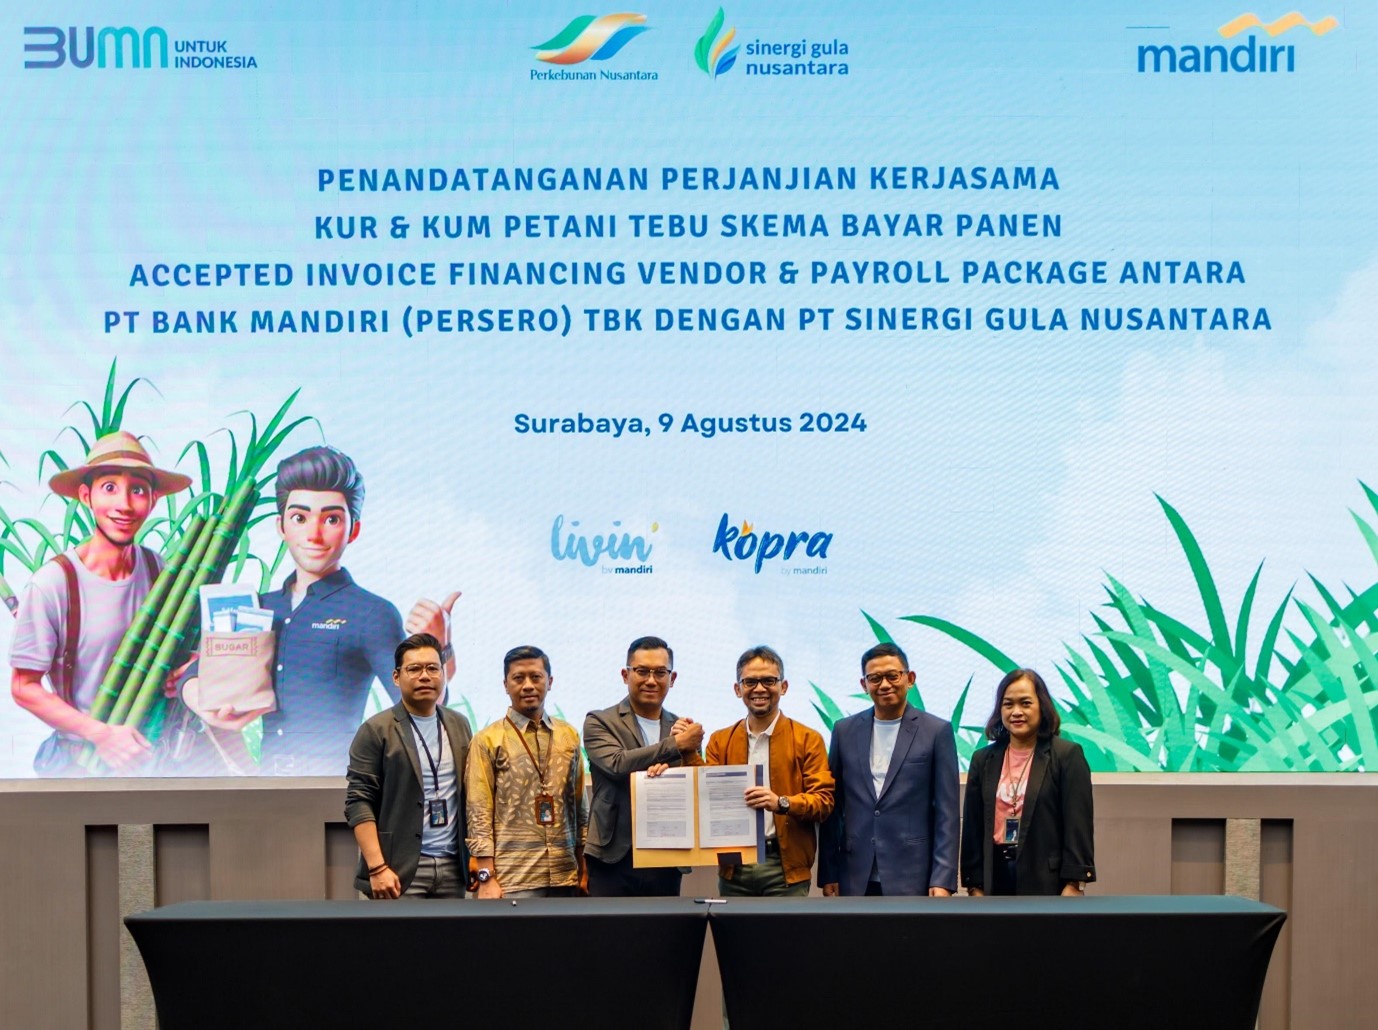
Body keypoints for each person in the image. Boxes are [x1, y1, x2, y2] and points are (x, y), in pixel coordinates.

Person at [188, 445, 459, 774]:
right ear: (281, 526)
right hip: (266, 786)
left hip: (336, 787)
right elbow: (195, 675)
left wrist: (438, 645)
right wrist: (203, 703)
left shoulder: (371, 613)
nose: (314, 534)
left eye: (331, 519)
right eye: (299, 518)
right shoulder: (256, 606)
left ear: (353, 529)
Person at [9, 431, 191, 773]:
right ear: (86, 496)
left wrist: (184, 669)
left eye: (138, 490)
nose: (124, 504)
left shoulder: (159, 570)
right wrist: (101, 735)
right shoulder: (53, 583)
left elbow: (177, 654)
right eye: (109, 487)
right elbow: (23, 687)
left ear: (152, 501)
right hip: (81, 764)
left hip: (152, 760)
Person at [819, 642, 959, 896]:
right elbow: (833, 808)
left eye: (893, 676)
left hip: (913, 875)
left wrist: (942, 878)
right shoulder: (844, 731)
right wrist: (829, 872)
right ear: (864, 684)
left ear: (910, 678)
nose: (884, 685)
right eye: (875, 678)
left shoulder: (937, 731)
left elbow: (947, 815)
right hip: (854, 874)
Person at [344, 632, 472, 898]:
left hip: (453, 867)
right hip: (397, 870)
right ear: (396, 677)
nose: (425, 676)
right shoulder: (376, 729)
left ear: (443, 674)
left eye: (432, 668)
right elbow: (358, 801)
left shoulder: (459, 724)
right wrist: (377, 867)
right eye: (414, 669)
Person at [704, 645, 834, 896]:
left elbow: (824, 802)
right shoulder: (720, 741)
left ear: (783, 687)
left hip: (785, 869)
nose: (759, 688)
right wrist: (686, 753)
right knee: (732, 925)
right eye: (750, 681)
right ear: (738, 689)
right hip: (734, 867)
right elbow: (706, 796)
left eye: (769, 681)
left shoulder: (808, 739)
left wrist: (781, 803)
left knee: (785, 926)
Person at [583, 635, 704, 897]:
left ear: (672, 679)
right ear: (625, 675)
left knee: (663, 925)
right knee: (607, 925)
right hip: (612, 857)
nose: (651, 680)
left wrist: (685, 753)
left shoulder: (682, 728)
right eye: (642, 671)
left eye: (660, 672)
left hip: (666, 855)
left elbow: (696, 789)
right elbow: (617, 764)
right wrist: (675, 744)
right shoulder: (600, 721)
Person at [960, 668, 1096, 896]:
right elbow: (973, 828)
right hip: (994, 881)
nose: (1016, 712)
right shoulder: (983, 759)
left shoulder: (1066, 755)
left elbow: (1078, 825)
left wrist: (1074, 883)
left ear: (1042, 706)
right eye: (1008, 704)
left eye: (1025, 703)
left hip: (1047, 882)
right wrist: (974, 885)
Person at [466, 645, 588, 898]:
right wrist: (486, 877)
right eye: (518, 678)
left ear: (550, 682)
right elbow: (478, 813)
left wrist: (584, 867)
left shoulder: (569, 735)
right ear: (505, 685)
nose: (528, 685)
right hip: (513, 879)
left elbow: (580, 810)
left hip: (565, 874)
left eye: (536, 677)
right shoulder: (487, 740)